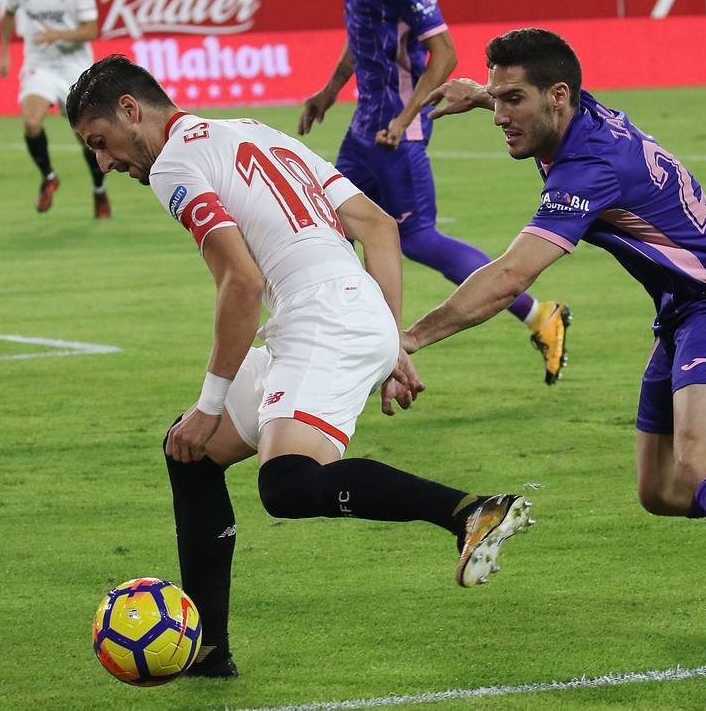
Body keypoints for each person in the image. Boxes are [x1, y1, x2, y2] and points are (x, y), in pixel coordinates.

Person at [406, 27, 706, 652]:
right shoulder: (581, 113)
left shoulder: (590, 168)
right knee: (663, 490)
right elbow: (542, 100)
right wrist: (479, 96)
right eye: (497, 99)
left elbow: (510, 277)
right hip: (685, 309)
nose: (501, 115)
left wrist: (411, 338)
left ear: (557, 97)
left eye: (511, 101)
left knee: (703, 462)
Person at [65, 54, 535, 678]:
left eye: (100, 144)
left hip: (324, 316)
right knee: (190, 458)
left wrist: (210, 407)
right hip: (337, 309)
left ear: (132, 110)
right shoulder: (254, 133)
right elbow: (378, 229)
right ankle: (209, 649)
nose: (103, 163)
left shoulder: (174, 164)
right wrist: (389, 337)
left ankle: (471, 511)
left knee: (286, 482)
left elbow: (240, 282)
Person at [301, 0, 572, 386]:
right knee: (330, 223)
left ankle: (541, 315)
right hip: (363, 129)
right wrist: (328, 93)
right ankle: (340, 340)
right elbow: (361, 38)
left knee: (417, 239)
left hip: (396, 137)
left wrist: (406, 118)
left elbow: (444, 54)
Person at [0, 0, 110, 217]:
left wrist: (58, 35)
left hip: (75, 68)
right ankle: (48, 176)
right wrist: (5, 51)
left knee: (86, 138)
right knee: (31, 123)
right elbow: (8, 15)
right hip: (40, 64)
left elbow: (91, 29)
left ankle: (99, 191)